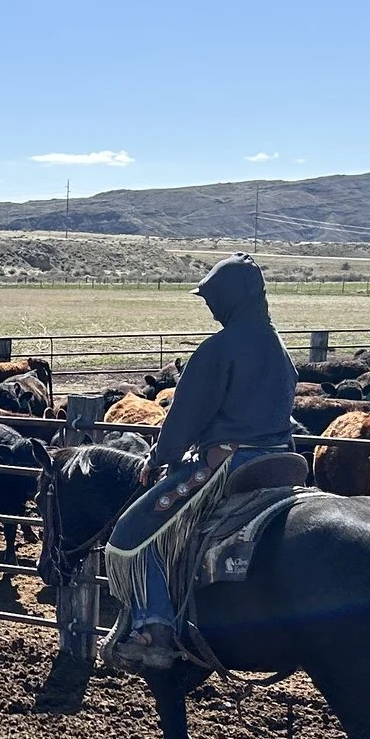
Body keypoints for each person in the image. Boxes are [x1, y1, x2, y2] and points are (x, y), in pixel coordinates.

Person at [101, 254, 299, 670]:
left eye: (213, 298)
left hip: (228, 463)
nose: (209, 307)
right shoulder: (278, 345)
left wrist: (159, 457)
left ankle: (153, 627)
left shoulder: (218, 349)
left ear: (231, 299)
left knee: (130, 537)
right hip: (283, 459)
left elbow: (184, 417)